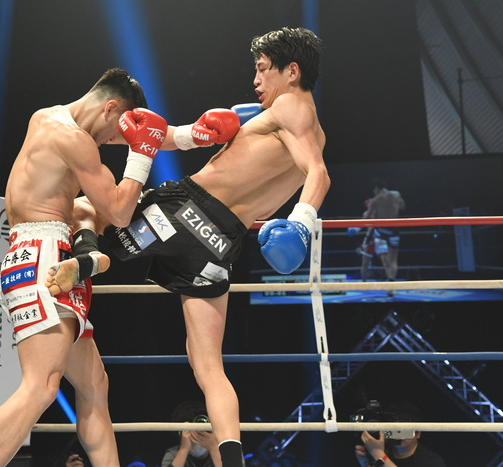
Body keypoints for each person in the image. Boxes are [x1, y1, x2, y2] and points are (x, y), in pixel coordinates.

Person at [50, 27, 330, 467]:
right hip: (220, 244)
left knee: (86, 209)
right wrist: (299, 222)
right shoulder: (291, 125)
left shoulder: (290, 106)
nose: (256, 80)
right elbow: (311, 171)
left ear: (292, 72)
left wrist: (301, 222)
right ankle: (232, 461)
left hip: (184, 211)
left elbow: (318, 173)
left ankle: (88, 260)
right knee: (208, 366)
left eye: (263, 70)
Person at [0, 68, 171, 467]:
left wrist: (188, 136)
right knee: (42, 386)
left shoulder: (46, 117)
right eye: (117, 130)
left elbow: (88, 194)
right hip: (42, 256)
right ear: (111, 108)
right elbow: (119, 212)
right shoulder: (75, 140)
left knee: (94, 383)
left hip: (50, 251)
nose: (113, 141)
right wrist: (141, 155)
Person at [351, 178, 405, 295]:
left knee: (383, 258)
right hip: (394, 230)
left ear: (376, 188)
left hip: (381, 231)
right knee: (392, 260)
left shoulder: (375, 200)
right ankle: (390, 287)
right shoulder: (396, 194)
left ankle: (363, 241)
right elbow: (402, 207)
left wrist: (355, 227)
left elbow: (367, 218)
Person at [354, 401, 445, 467]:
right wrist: (365, 464)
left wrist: (378, 454)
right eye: (394, 430)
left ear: (418, 434)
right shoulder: (382, 451)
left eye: (405, 431)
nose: (398, 436)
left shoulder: (432, 461)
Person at [161, 400, 222, 467]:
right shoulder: (173, 454)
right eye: (189, 430)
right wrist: (184, 450)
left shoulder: (223, 451)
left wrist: (213, 447)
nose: (197, 433)